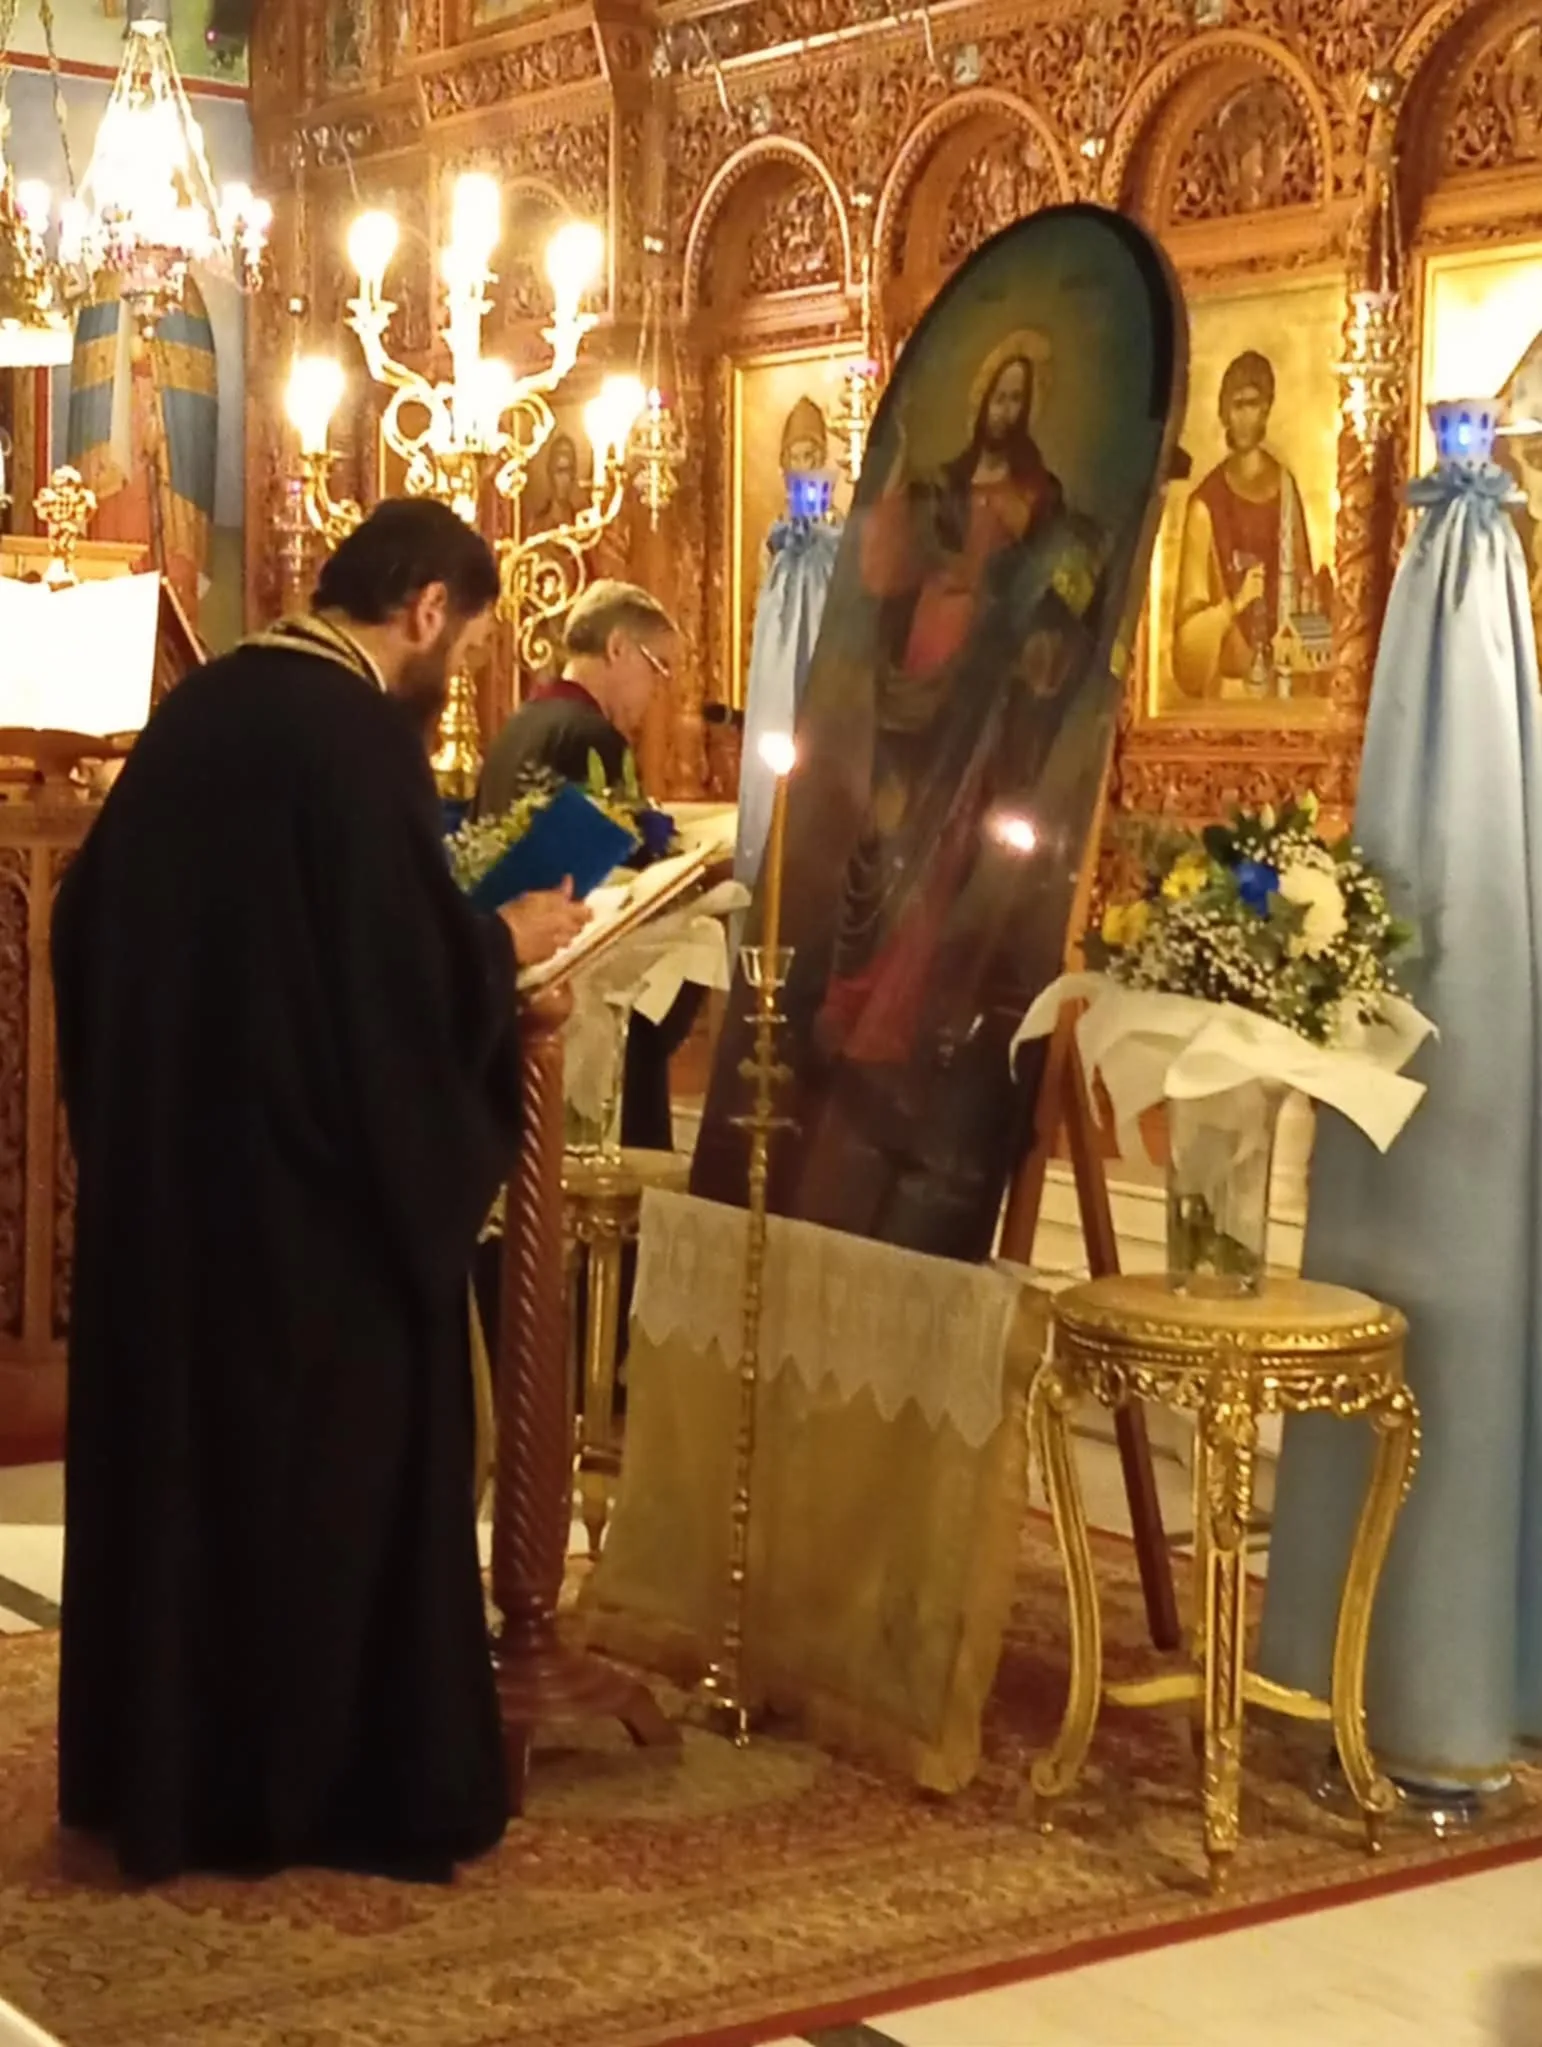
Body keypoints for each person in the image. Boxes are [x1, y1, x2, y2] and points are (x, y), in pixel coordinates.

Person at [51, 497, 588, 1884]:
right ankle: (308, 1791)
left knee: (185, 1493)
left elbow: (85, 919)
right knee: (324, 1491)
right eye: (467, 650)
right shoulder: (355, 738)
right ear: (426, 610)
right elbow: (394, 984)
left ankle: (161, 1780)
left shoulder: (205, 706)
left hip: (173, 1203)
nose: (458, 677)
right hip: (309, 1224)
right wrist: (503, 945)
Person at [1172, 349, 1324, 701]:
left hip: (1283, 684)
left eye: (1252, 404)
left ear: (1266, 409)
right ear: (1224, 413)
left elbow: (1303, 584)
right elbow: (1186, 643)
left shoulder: (1285, 489)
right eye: (1236, 405)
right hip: (1227, 690)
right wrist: (1233, 605)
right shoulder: (1205, 506)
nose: (1243, 417)